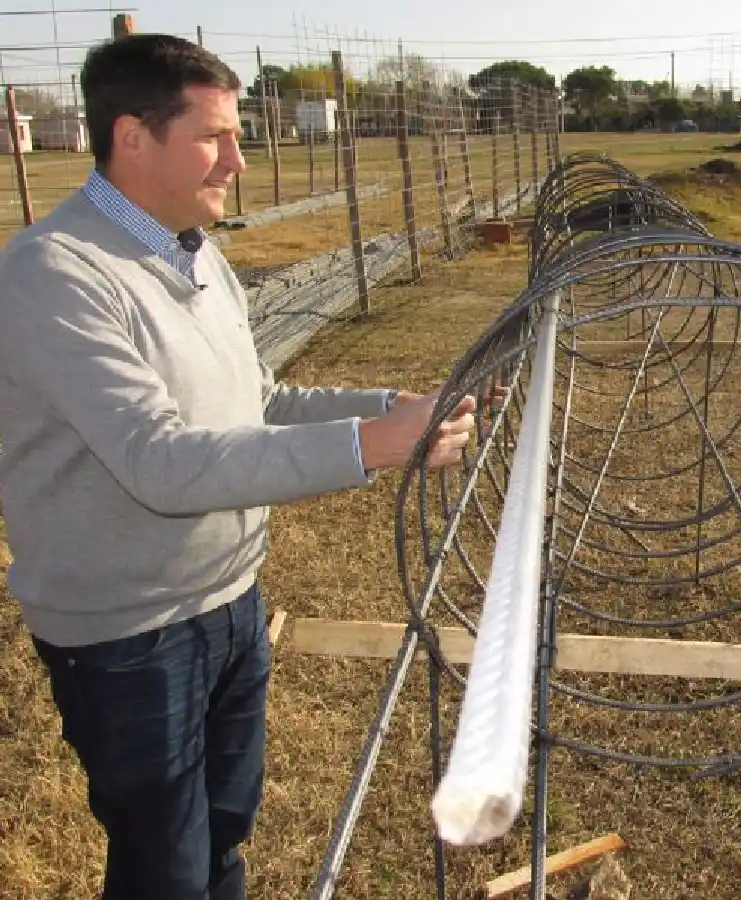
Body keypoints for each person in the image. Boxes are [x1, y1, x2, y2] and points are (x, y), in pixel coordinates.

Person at [0, 33, 479, 900]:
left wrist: (385, 409)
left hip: (229, 604)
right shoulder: (55, 276)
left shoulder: (194, 253)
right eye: (214, 136)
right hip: (128, 635)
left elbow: (258, 402)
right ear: (132, 137)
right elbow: (158, 463)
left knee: (223, 840)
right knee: (165, 871)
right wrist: (375, 448)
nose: (241, 159)